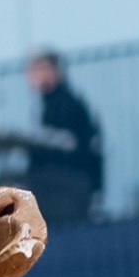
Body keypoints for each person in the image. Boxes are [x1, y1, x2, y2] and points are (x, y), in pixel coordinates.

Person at [24, 50, 103, 225]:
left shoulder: (65, 105)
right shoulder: (53, 103)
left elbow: (69, 145)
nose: (30, 76)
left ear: (51, 71)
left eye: (37, 69)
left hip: (67, 181)